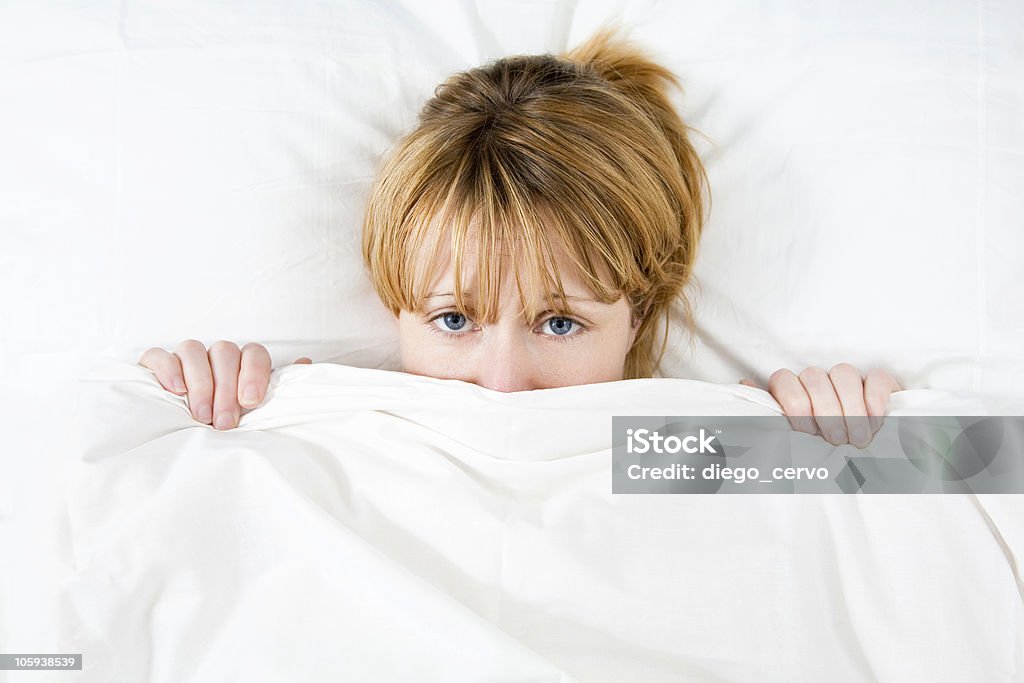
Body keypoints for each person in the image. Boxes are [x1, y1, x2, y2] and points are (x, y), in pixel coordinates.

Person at [139, 29, 901, 448]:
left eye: (560, 321)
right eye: (453, 320)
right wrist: (199, 398)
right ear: (396, 308)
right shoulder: (326, 418)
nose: (501, 381)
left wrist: (862, 433)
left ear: (640, 310)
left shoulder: (697, 444)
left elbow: (974, 468)